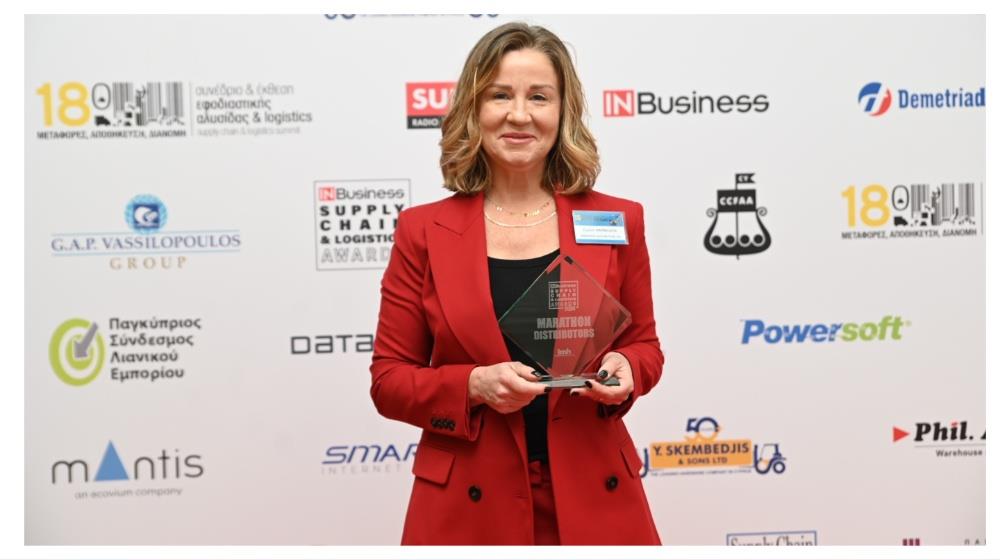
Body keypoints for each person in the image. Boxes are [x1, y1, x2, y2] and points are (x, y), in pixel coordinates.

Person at [370, 22, 663, 545]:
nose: (520, 114)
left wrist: (628, 367)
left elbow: (645, 347)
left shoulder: (619, 220)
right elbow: (389, 381)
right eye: (500, 95)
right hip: (468, 504)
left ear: (563, 111)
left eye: (539, 97)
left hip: (594, 492)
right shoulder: (423, 230)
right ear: (474, 108)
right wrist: (472, 385)